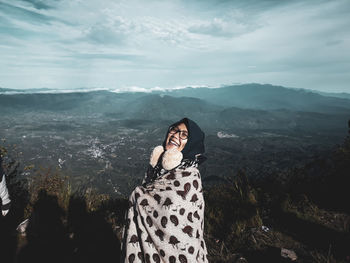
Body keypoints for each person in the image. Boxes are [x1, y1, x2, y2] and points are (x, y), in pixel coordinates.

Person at [122, 118, 208, 263]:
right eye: (174, 130)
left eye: (184, 135)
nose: (175, 135)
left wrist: (139, 196)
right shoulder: (158, 168)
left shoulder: (189, 177)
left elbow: (174, 219)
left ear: (192, 144)